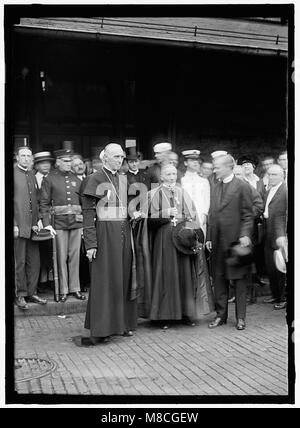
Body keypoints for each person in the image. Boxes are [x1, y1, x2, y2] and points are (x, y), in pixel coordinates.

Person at [142, 164, 214, 328]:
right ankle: (164, 316)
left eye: (174, 173)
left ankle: (186, 313)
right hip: (164, 241)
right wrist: (164, 215)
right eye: (168, 174)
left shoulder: (182, 192)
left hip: (183, 240)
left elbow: (193, 216)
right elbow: (147, 222)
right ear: (162, 176)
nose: (172, 176)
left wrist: (190, 227)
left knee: (185, 275)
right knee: (166, 276)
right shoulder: (153, 194)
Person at [80, 143, 137, 346]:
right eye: (116, 156)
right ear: (105, 158)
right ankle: (102, 327)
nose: (120, 160)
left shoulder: (121, 178)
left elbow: (123, 207)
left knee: (121, 279)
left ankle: (120, 324)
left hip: (122, 233)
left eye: (122, 156)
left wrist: (133, 214)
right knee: (105, 281)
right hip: (104, 235)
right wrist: (91, 244)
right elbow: (88, 215)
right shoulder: (94, 179)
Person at [206, 154, 254, 331]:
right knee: (219, 278)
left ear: (229, 167)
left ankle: (240, 317)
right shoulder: (215, 186)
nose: (215, 170)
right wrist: (209, 237)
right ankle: (221, 315)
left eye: (217, 167)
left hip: (236, 242)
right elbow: (212, 214)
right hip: (218, 242)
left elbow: (248, 214)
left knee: (239, 280)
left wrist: (245, 234)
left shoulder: (242, 186)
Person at [39, 148, 86, 302]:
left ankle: (75, 288)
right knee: (61, 257)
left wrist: (85, 224)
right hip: (58, 224)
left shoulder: (78, 179)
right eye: (65, 161)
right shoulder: (50, 179)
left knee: (75, 256)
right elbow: (44, 203)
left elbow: (83, 204)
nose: (68, 163)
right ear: (58, 162)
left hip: (76, 223)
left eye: (70, 160)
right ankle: (63, 289)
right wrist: (47, 224)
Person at [14, 146, 47, 309]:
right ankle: (20, 295)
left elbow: (37, 200)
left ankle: (32, 292)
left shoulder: (32, 175)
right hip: (18, 226)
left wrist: (38, 220)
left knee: (34, 262)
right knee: (19, 262)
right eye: (23, 156)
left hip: (33, 226)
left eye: (29, 156)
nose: (26, 159)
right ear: (17, 157)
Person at [262, 165, 288, 309]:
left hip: (279, 235)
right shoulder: (269, 190)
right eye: (270, 174)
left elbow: (286, 215)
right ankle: (275, 295)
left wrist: (282, 235)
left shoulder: (285, 190)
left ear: (282, 176)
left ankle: (283, 297)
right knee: (270, 267)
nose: (271, 177)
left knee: (280, 268)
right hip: (268, 233)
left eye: (275, 175)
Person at [33, 151, 55, 292]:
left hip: (54, 219)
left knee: (52, 251)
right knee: (39, 252)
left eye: (48, 162)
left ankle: (51, 280)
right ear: (36, 165)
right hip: (37, 220)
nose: (46, 165)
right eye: (42, 163)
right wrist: (39, 218)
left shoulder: (54, 178)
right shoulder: (32, 178)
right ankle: (40, 281)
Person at [181, 150, 210, 237]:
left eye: (197, 161)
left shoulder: (204, 181)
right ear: (185, 163)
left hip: (200, 215)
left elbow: (206, 199)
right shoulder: (182, 180)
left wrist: (205, 213)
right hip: (186, 215)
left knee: (200, 239)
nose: (195, 163)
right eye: (192, 160)